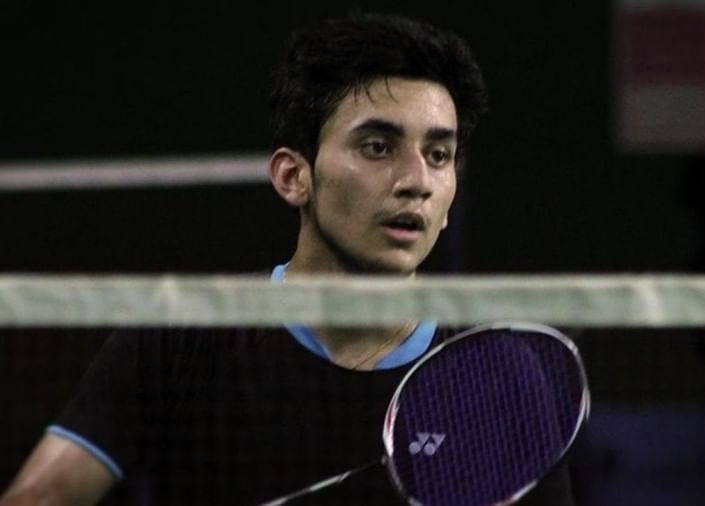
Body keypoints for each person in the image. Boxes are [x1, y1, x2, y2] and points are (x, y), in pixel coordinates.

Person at [0, 11, 575, 506]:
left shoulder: (498, 381)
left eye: (439, 154)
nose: (416, 181)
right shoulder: (178, 338)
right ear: (293, 176)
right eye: (378, 147)